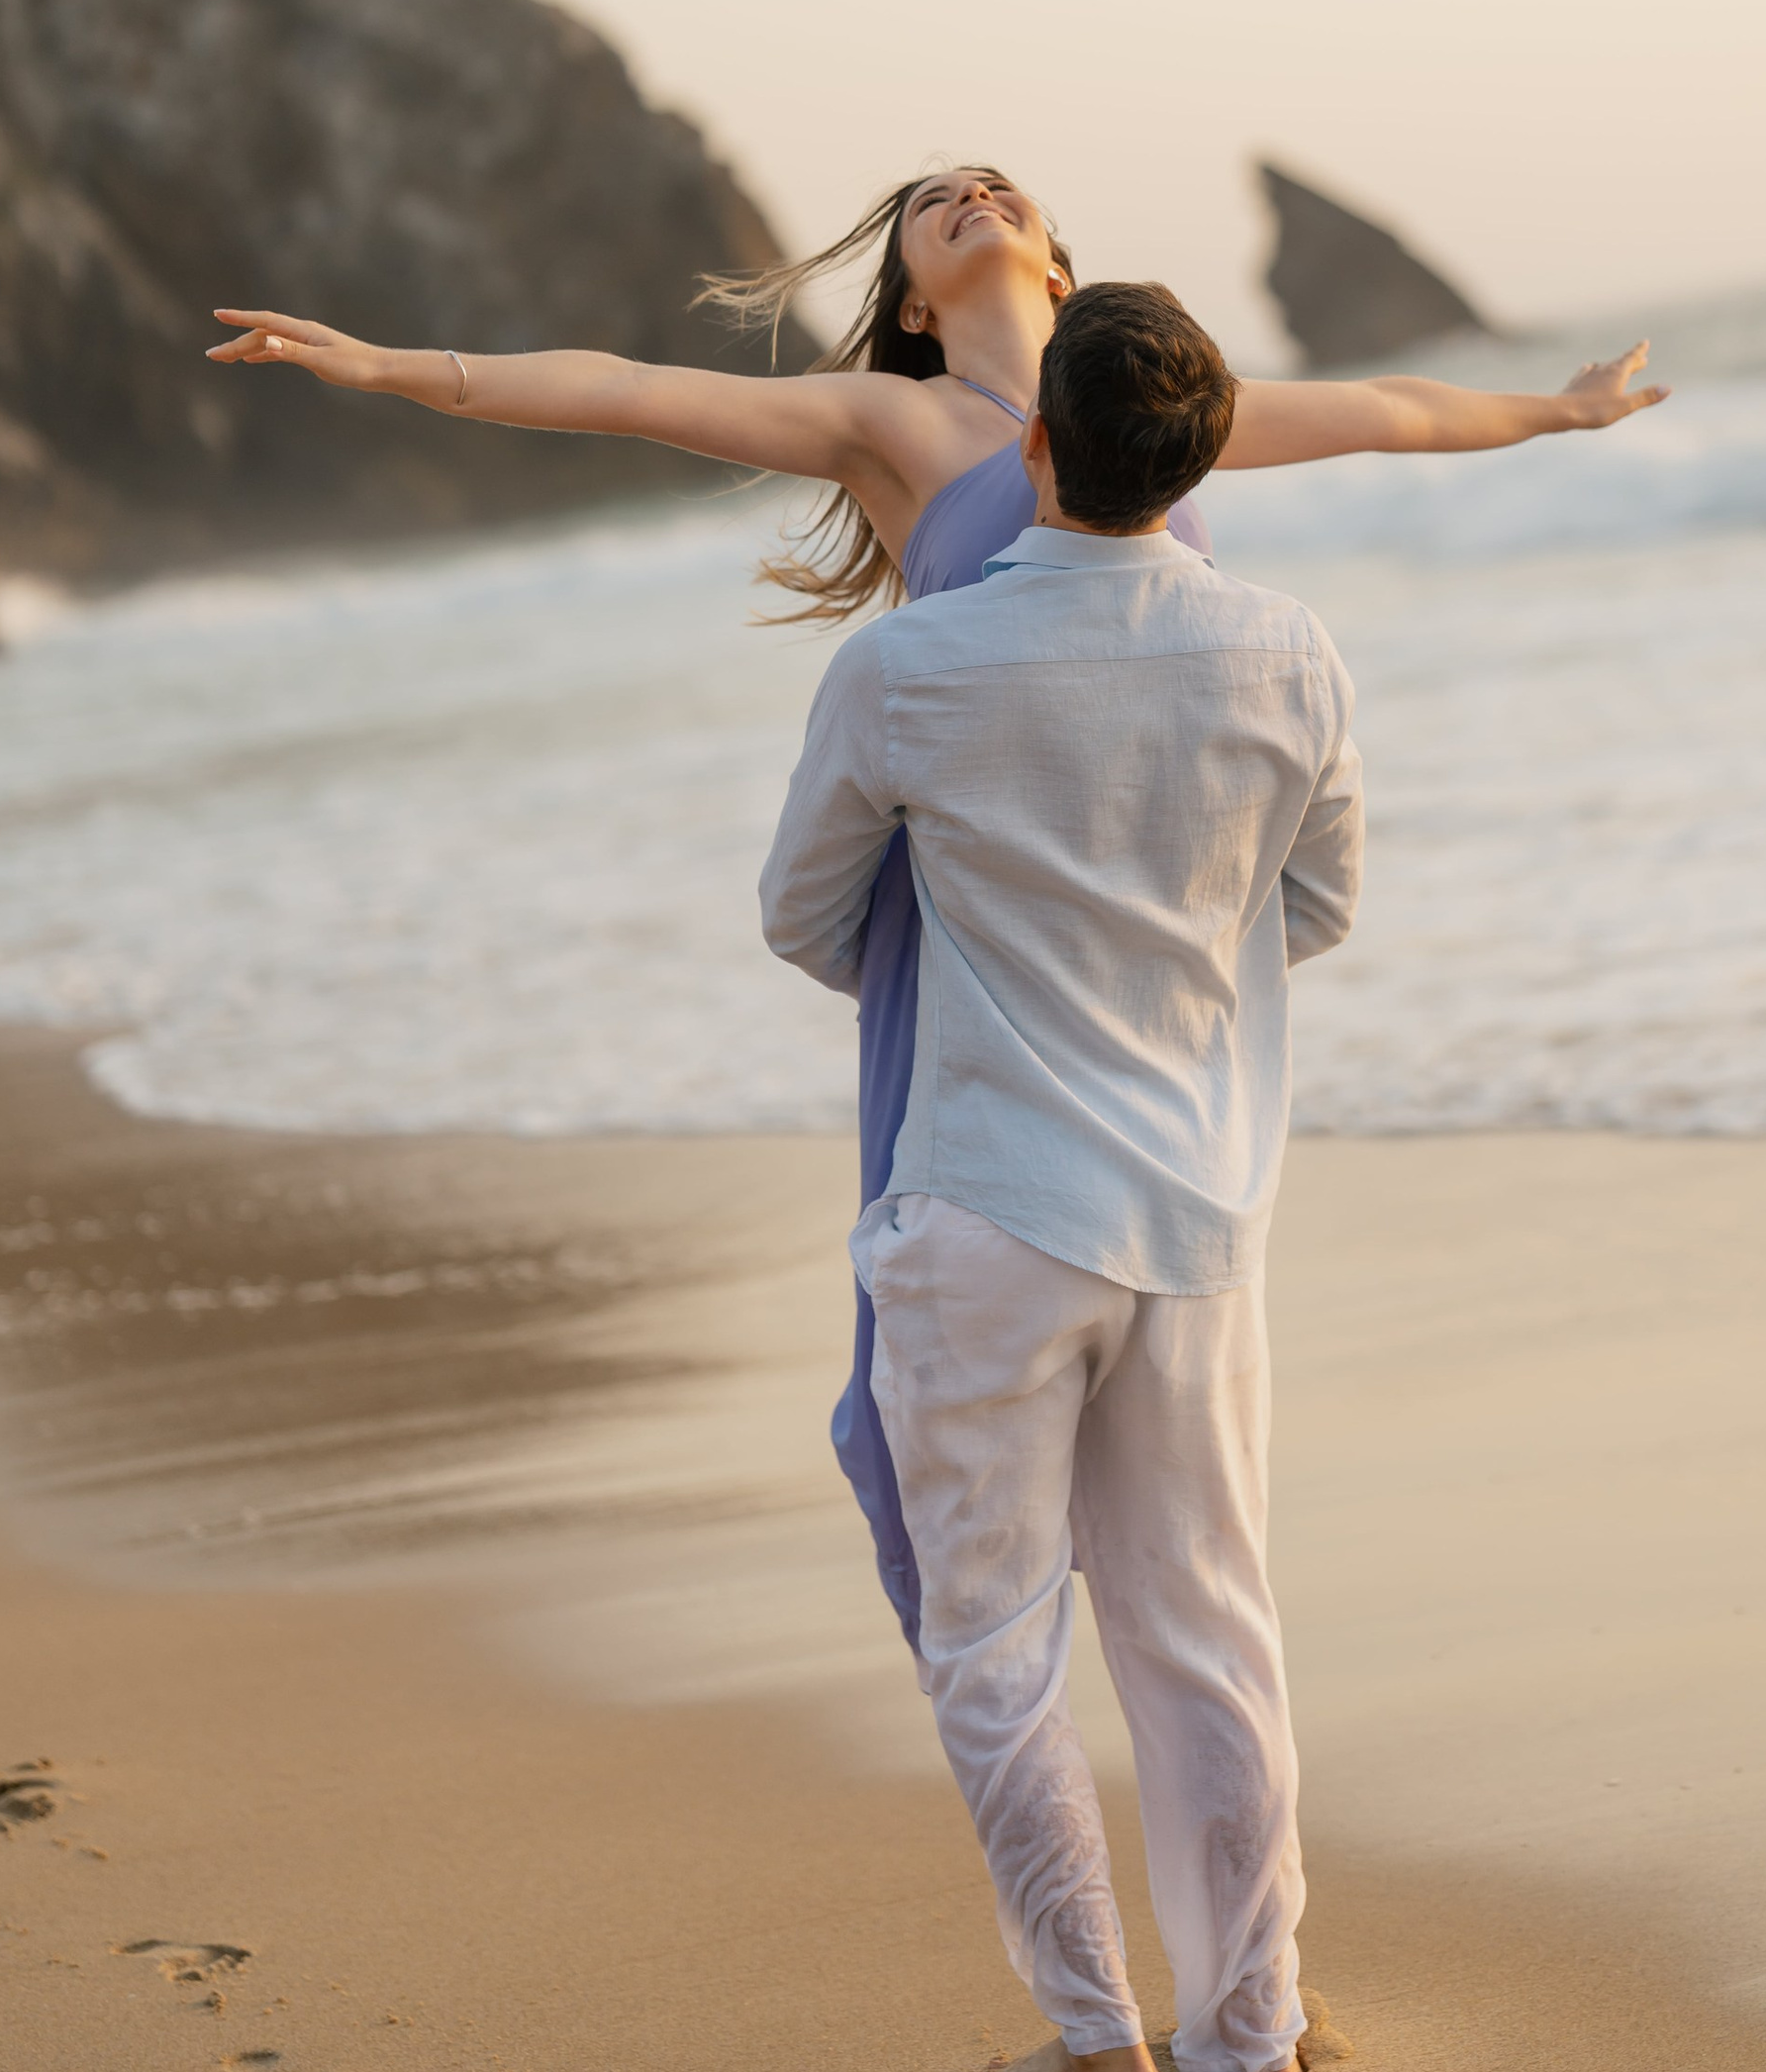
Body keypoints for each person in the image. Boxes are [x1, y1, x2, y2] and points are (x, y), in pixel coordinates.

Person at [208, 165, 1666, 1637]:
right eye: (935, 201)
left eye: (1000, 185)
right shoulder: (889, 423)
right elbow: (628, 389)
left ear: (1053, 254)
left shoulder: (1162, 405)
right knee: (985, 1248)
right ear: (912, 293)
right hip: (980, 899)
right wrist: (389, 366)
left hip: (1139, 896)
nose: (972, 193)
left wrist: (1560, 410)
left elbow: (1385, 411)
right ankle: (1002, 1566)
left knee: (1155, 1286)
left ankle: (1131, 1543)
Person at [759, 276, 1358, 2072]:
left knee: (995, 1640)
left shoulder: (905, 664)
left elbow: (804, 914)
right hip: (1197, 1212)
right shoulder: (1289, 648)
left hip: (990, 1207)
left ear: (1035, 449)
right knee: (1206, 1621)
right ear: (1201, 458)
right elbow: (1317, 909)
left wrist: (1005, 955)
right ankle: (1251, 2013)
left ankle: (1098, 2038)